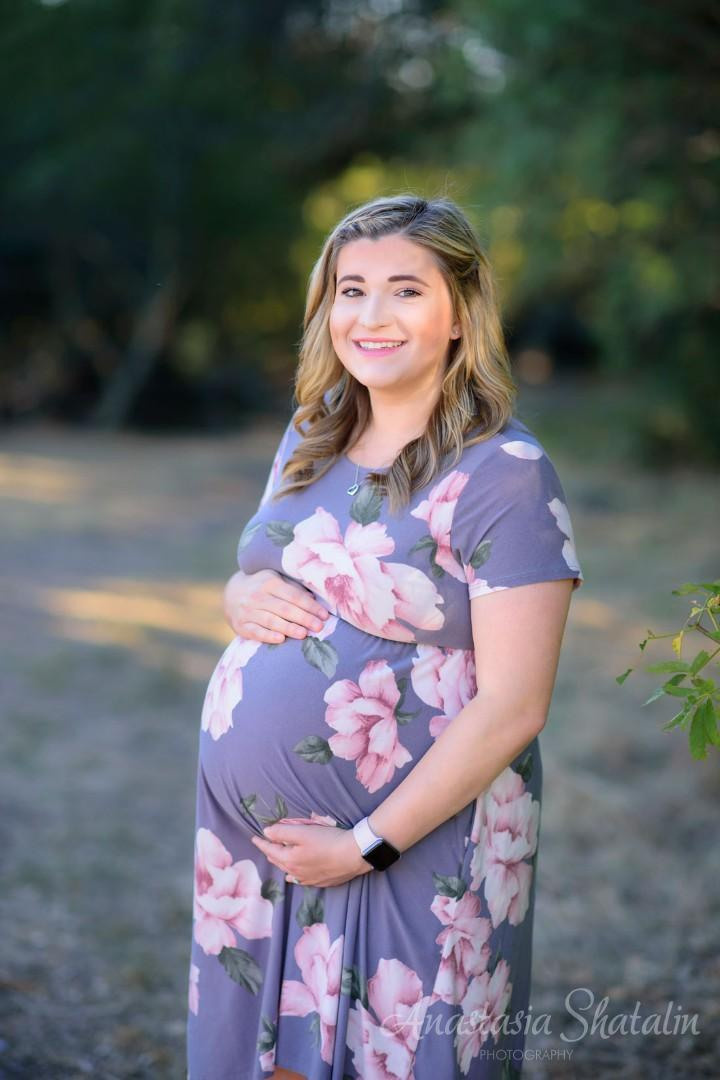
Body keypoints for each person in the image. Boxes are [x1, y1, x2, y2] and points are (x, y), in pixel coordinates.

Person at [186, 193, 584, 1080]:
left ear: (459, 314)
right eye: (350, 289)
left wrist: (364, 845)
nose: (370, 316)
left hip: (414, 843)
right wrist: (238, 592)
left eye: (405, 291)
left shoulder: (505, 473)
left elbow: (516, 706)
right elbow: (265, 564)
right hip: (260, 858)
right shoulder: (315, 432)